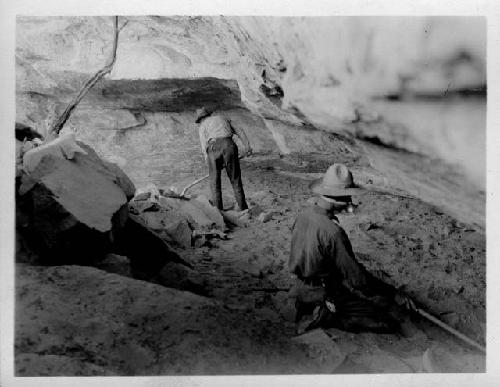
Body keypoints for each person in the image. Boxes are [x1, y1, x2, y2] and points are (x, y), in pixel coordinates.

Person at [288, 163, 417, 334]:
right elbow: (358, 280)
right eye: (348, 196)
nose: (350, 202)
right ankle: (327, 315)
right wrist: (393, 293)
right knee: (385, 321)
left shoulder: (303, 216)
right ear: (339, 198)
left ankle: (309, 305)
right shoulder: (333, 232)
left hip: (301, 285)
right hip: (322, 292)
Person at [195, 107, 252, 211]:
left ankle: (219, 212)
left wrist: (210, 162)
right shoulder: (223, 118)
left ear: (201, 119)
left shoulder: (202, 126)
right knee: (235, 180)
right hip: (229, 145)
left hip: (213, 147)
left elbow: (204, 146)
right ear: (209, 114)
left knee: (215, 182)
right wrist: (247, 146)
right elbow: (240, 131)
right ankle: (244, 209)